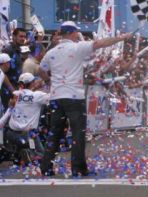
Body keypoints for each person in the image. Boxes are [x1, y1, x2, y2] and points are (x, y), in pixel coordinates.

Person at [38, 21, 133, 177]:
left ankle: (46, 167)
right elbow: (101, 43)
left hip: (56, 97)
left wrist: (50, 81)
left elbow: (41, 70)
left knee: (54, 133)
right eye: (76, 32)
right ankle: (78, 168)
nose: (77, 35)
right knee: (77, 133)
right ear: (71, 33)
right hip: (74, 97)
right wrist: (122, 37)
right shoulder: (77, 47)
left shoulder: (51, 52)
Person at [5, 73, 49, 163]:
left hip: (11, 134)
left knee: (18, 152)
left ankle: (19, 153)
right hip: (28, 135)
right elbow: (54, 97)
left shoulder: (15, 94)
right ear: (32, 83)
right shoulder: (38, 95)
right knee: (42, 155)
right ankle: (30, 153)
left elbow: (25, 95)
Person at [2, 28, 26, 109]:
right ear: (14, 36)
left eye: (24, 37)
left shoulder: (19, 50)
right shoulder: (8, 50)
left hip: (17, 88)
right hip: (7, 90)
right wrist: (12, 89)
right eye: (21, 36)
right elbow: (2, 73)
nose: (23, 39)